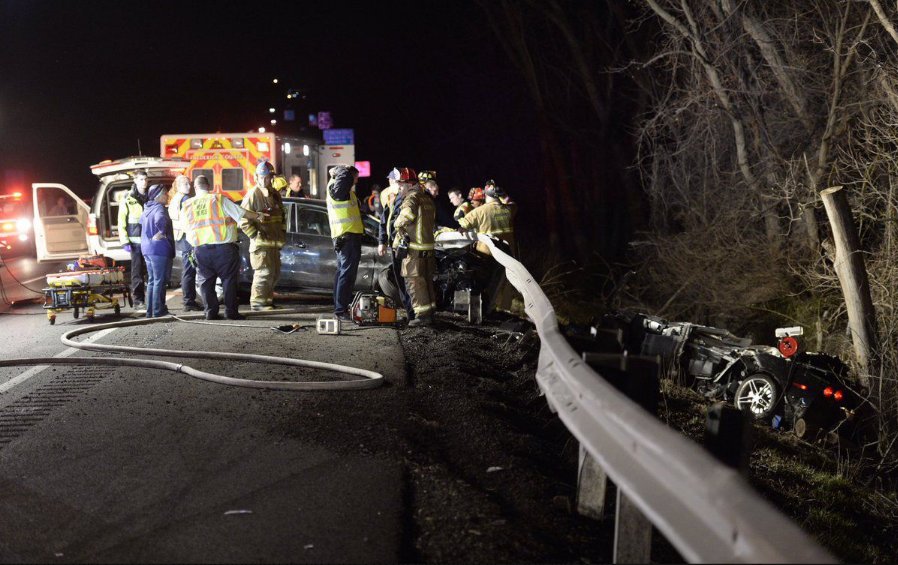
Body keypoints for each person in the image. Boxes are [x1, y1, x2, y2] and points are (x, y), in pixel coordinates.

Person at [182, 175, 266, 321]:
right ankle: (231, 312)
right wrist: (258, 215)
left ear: (195, 188)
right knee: (228, 281)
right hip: (224, 249)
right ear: (209, 186)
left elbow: (185, 228)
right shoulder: (218, 199)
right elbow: (241, 213)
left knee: (206, 282)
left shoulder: (188, 205)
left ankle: (210, 312)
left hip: (201, 249)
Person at [457, 183, 518, 313]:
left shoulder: (480, 211)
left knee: (478, 283)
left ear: (485, 196)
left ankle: (474, 312)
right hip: (506, 255)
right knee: (497, 285)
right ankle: (494, 309)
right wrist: (504, 195)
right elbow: (512, 203)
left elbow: (461, 224)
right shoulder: (509, 210)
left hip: (485, 254)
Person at [239, 160, 287, 311]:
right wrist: (255, 236)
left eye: (269, 177)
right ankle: (258, 304)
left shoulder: (275, 194)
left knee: (274, 274)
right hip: (261, 245)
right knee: (263, 274)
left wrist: (282, 235)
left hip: (273, 244)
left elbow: (281, 218)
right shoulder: (253, 194)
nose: (267, 180)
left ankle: (267, 302)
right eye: (264, 177)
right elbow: (243, 220)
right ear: (257, 177)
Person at [393, 171, 438, 327]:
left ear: (410, 184)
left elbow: (407, 216)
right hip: (428, 248)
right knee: (426, 282)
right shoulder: (427, 198)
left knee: (414, 282)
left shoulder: (412, 197)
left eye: (401, 184)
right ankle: (430, 314)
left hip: (415, 250)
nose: (399, 188)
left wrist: (396, 224)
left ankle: (422, 316)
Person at [326, 164, 364, 320]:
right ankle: (341, 310)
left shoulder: (343, 190)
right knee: (346, 275)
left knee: (343, 273)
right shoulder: (338, 188)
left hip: (347, 236)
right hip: (347, 236)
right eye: (355, 177)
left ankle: (341, 307)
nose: (356, 181)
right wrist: (341, 169)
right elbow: (345, 177)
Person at [377, 167, 416, 321]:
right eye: (395, 182)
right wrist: (382, 241)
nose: (394, 185)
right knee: (401, 281)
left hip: (406, 245)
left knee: (408, 281)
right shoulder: (394, 198)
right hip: (397, 245)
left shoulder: (409, 198)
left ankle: (413, 314)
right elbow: (385, 220)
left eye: (398, 182)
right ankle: (410, 313)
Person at [139, 183, 175, 318]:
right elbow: (160, 220)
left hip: (147, 249)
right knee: (159, 280)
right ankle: (159, 311)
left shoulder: (147, 208)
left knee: (153, 280)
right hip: (159, 249)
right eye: (165, 193)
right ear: (158, 196)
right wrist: (161, 232)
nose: (167, 196)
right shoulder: (159, 208)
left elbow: (141, 222)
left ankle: (151, 311)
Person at [167, 174, 202, 311]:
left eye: (189, 183)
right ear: (179, 186)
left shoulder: (176, 198)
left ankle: (189, 300)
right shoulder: (186, 199)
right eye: (186, 184)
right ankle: (189, 302)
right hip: (187, 238)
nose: (189, 186)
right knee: (189, 271)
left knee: (187, 270)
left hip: (181, 238)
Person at [118, 170, 148, 311]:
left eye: (145, 179)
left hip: (148, 241)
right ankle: (138, 300)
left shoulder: (149, 197)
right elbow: (121, 222)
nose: (144, 182)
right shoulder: (128, 199)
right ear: (135, 181)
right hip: (135, 242)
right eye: (141, 179)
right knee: (137, 273)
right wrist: (125, 241)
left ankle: (151, 300)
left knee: (150, 272)